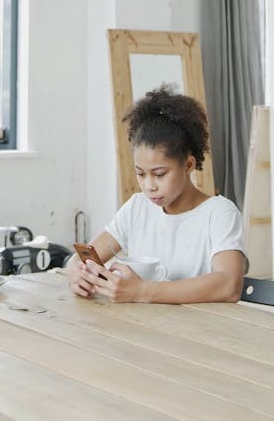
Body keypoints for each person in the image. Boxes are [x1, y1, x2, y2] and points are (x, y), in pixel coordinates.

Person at [67, 84, 247, 304]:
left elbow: (229, 286)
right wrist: (74, 271)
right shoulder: (137, 207)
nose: (149, 185)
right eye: (140, 174)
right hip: (143, 330)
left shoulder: (219, 213)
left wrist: (141, 291)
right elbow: (84, 255)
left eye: (159, 174)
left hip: (200, 332)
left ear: (188, 164)